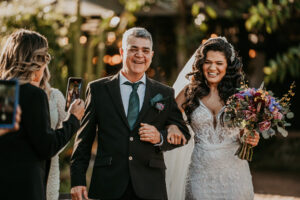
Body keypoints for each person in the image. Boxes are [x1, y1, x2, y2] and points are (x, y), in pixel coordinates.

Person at [70, 27, 190, 200]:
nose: (140, 55)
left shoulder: (164, 93)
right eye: (133, 49)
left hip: (150, 186)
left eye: (145, 50)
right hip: (108, 184)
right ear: (122, 51)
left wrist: (160, 137)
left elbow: (183, 133)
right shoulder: (98, 90)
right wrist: (77, 180)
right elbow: (83, 140)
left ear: (151, 54)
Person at [164, 37, 260, 200]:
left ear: (228, 66)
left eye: (219, 63)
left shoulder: (240, 94)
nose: (212, 67)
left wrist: (252, 137)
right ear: (201, 64)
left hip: (235, 175)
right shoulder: (190, 92)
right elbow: (168, 115)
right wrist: (172, 127)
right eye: (208, 62)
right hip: (199, 174)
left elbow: (245, 132)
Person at [0, 29, 84, 200]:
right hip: (25, 188)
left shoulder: (5, 92)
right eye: (45, 57)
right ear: (37, 61)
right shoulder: (34, 95)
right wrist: (73, 119)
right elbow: (47, 147)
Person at [37, 66, 68, 200]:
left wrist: (53, 148)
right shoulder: (9, 92)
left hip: (51, 168)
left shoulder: (55, 95)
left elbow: (68, 130)